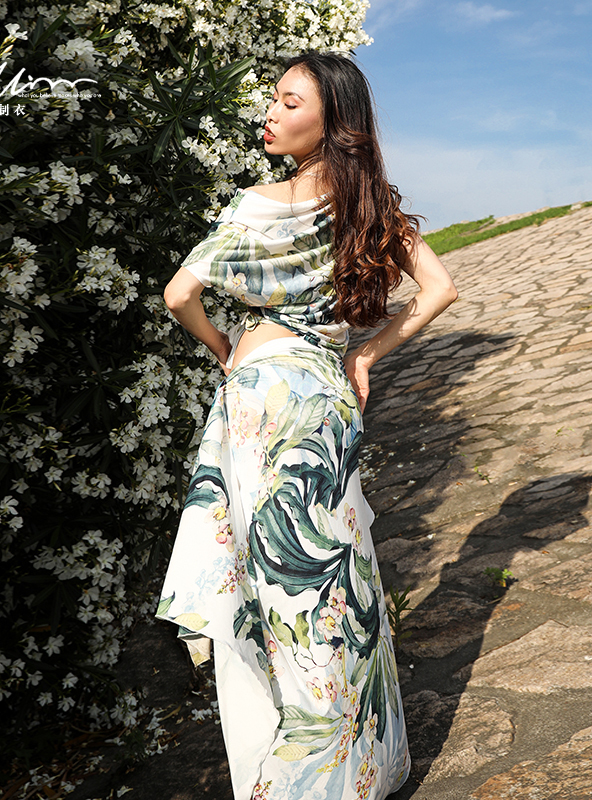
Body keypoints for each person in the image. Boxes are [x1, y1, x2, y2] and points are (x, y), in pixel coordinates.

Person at [156, 51, 458, 800]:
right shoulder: (368, 206)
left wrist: (224, 348)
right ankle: (363, 767)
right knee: (337, 578)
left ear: (332, 122)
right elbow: (440, 288)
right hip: (324, 394)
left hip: (261, 398)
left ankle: (298, 774)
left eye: (290, 102)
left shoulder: (254, 205)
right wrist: (368, 352)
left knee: (275, 586)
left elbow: (179, 295)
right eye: (274, 99)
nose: (271, 112)